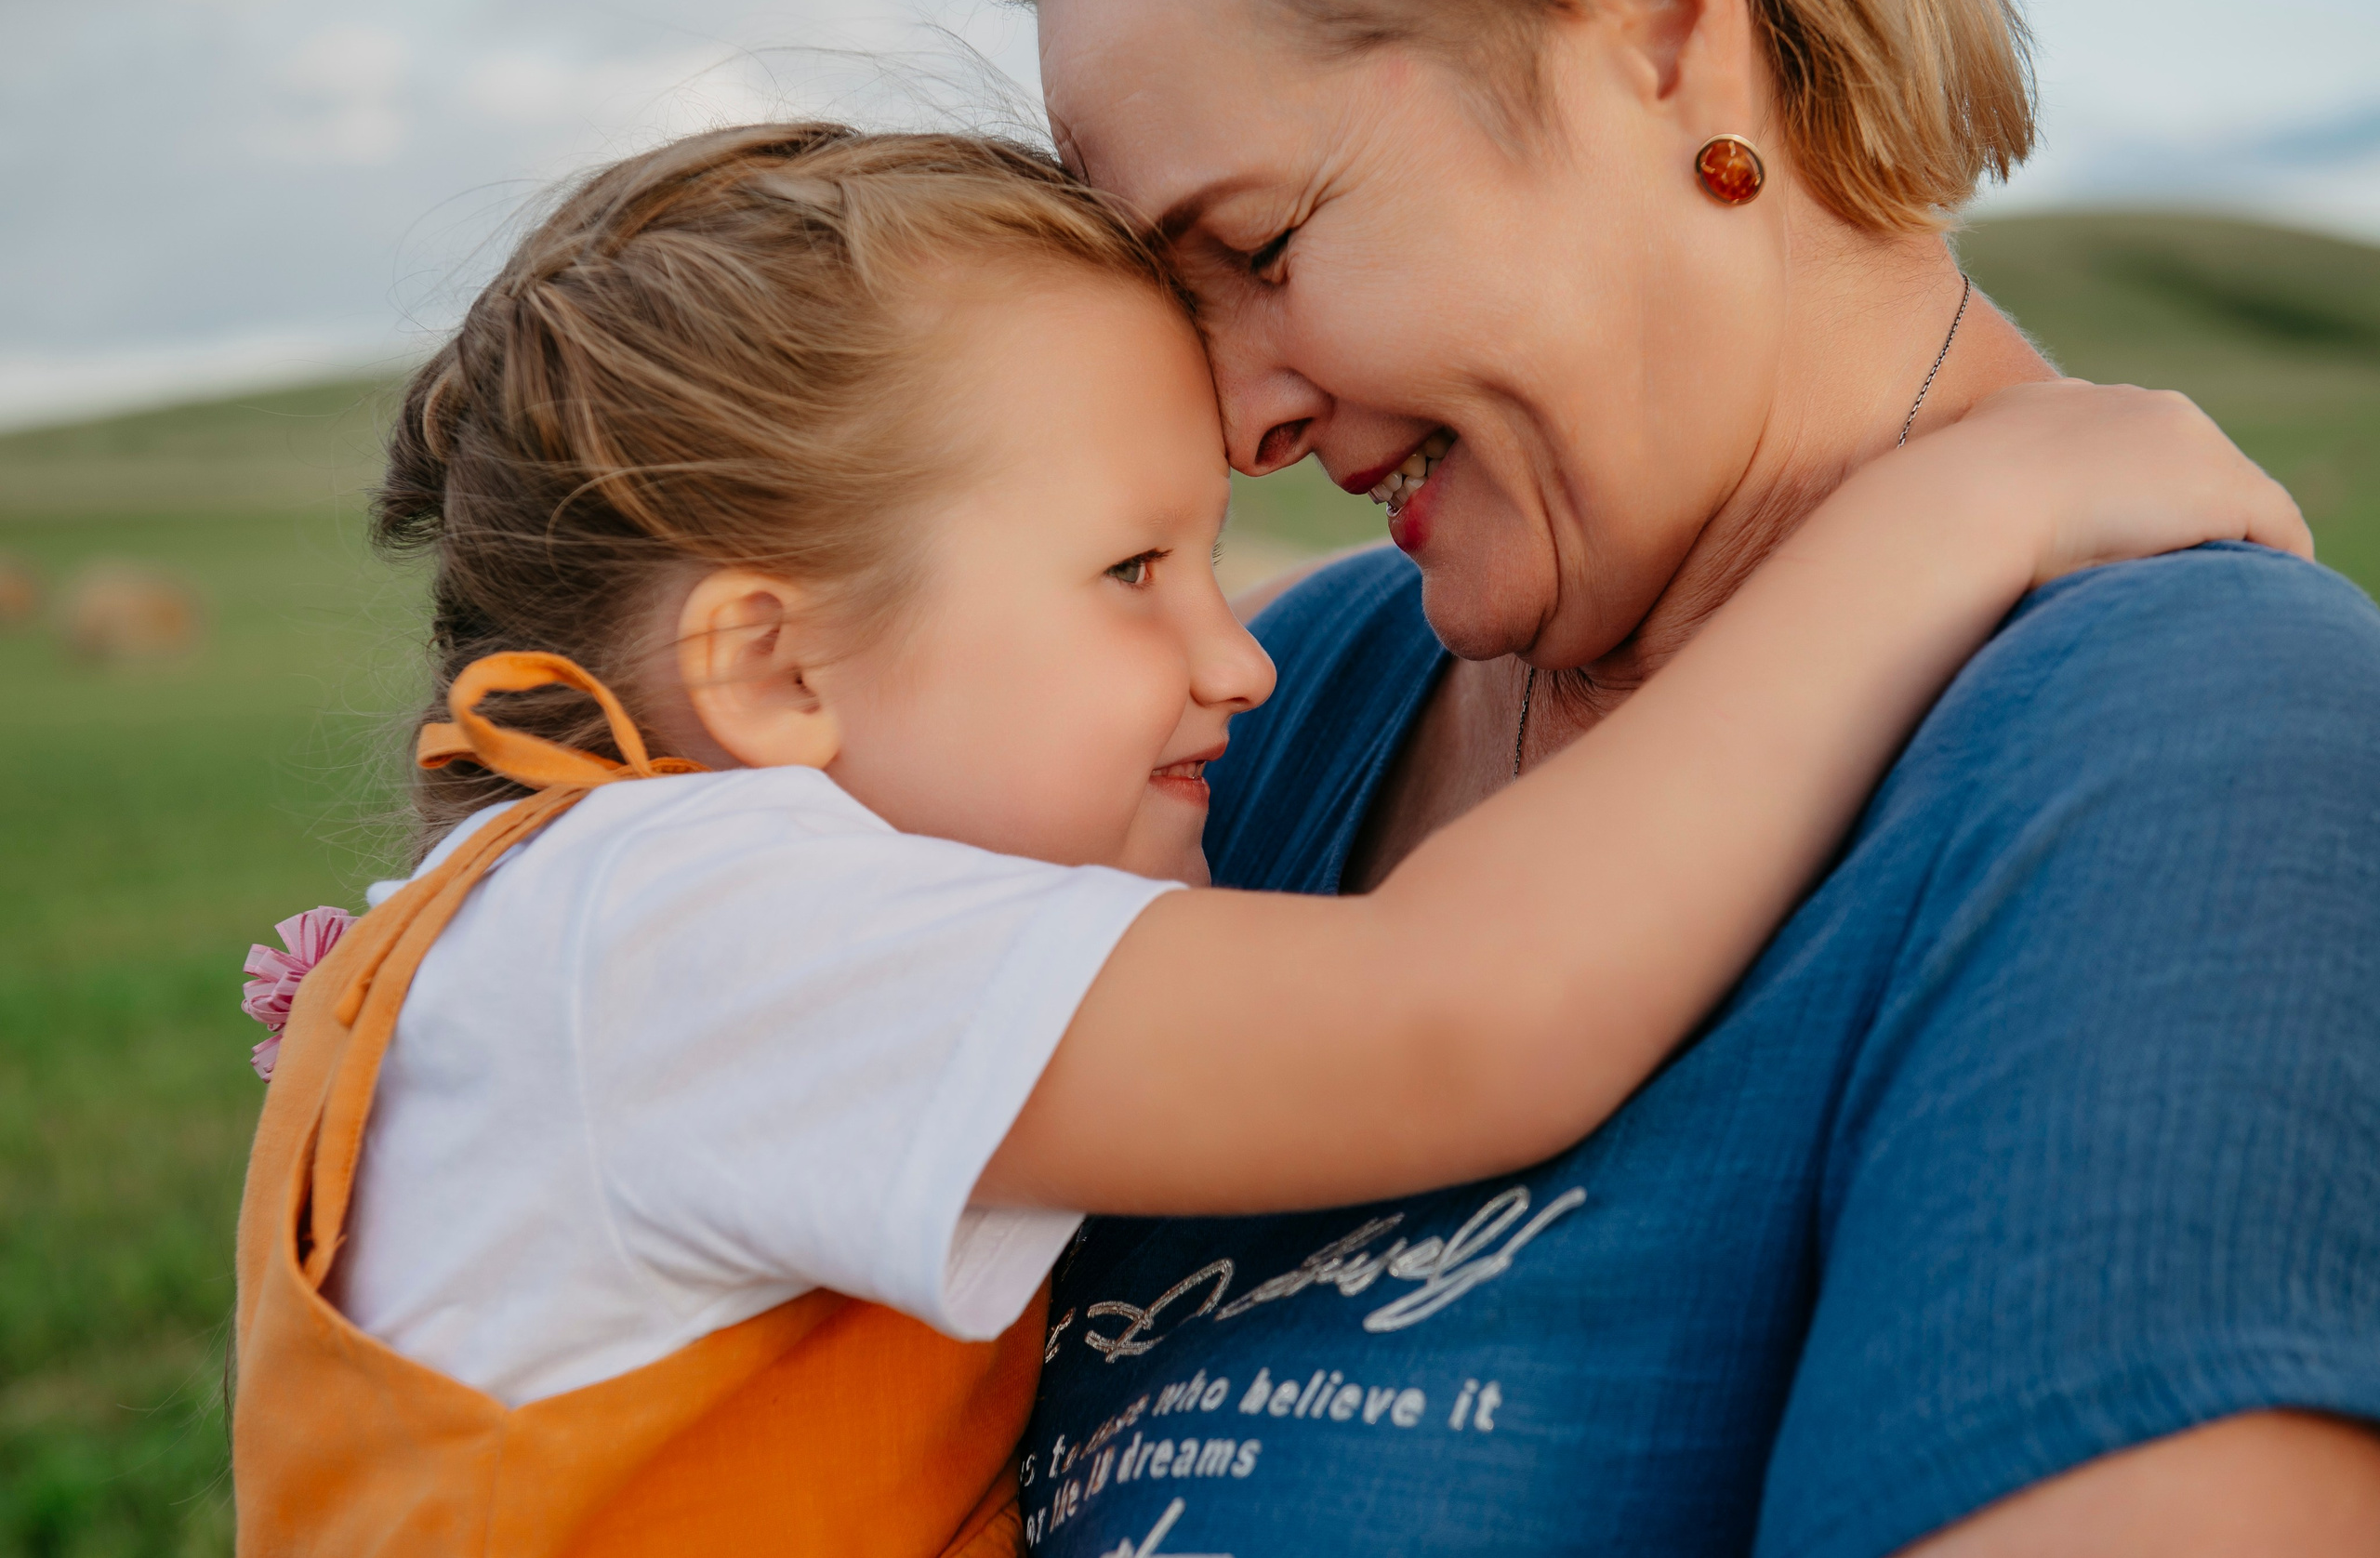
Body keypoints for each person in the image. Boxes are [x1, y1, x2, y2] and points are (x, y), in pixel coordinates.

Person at [227, 125, 2294, 1554]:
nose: (1238, 667)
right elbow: (1458, 1010)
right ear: (767, 669)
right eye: (1131, 569)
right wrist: (1959, 516)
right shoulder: (684, 918)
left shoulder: (582, 931)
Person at [998, 0, 2380, 1553]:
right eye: (1181, 302)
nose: (1241, 425)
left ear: (1657, 32)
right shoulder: (1256, 713)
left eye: (1260, 248)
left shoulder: (2194, 752)